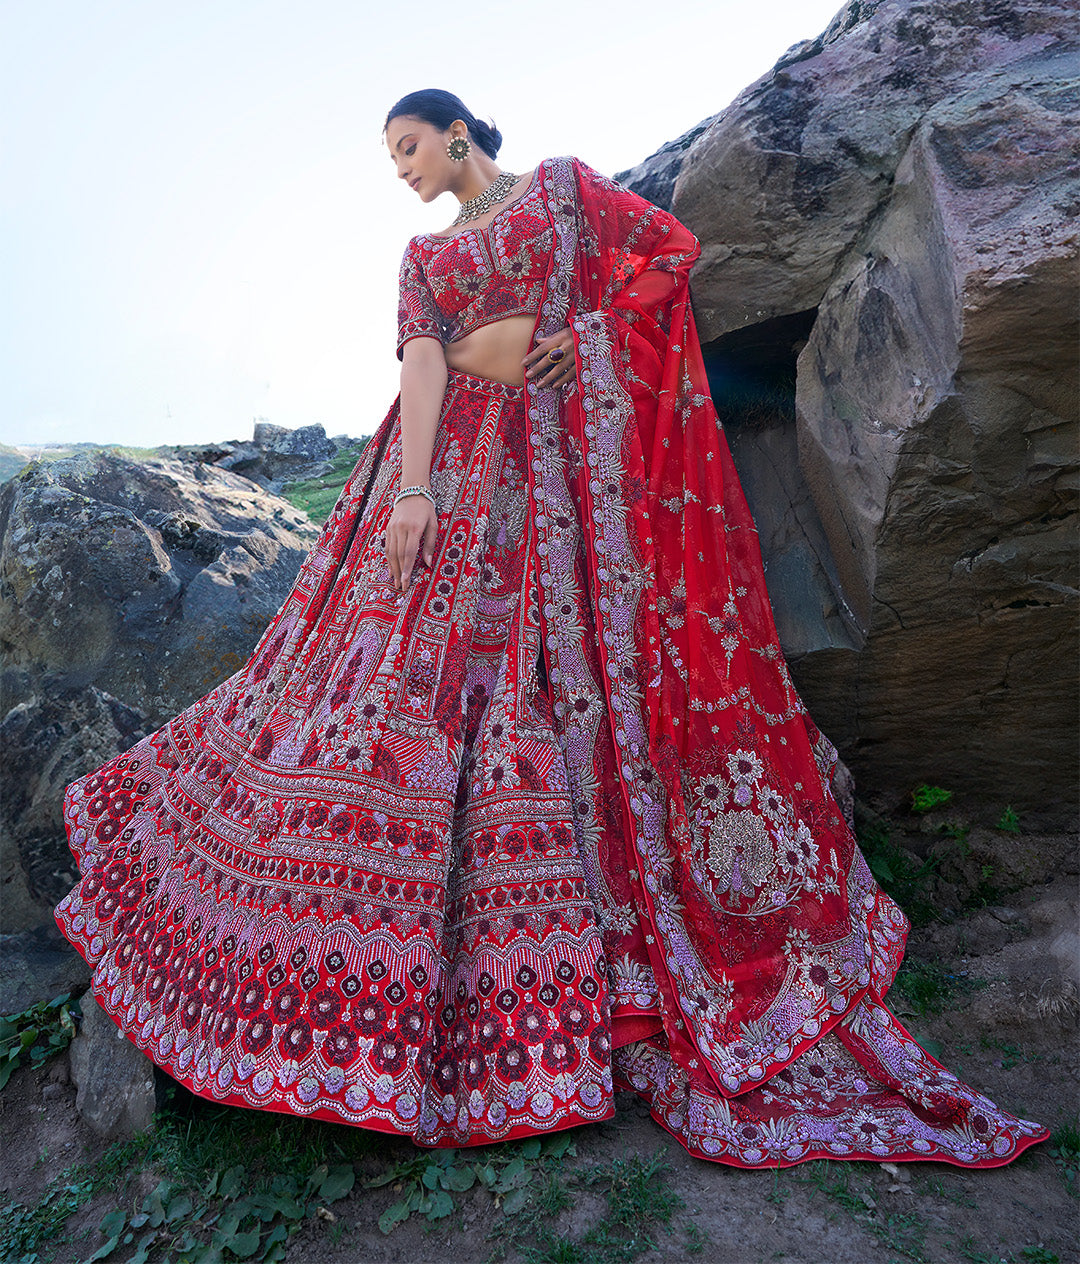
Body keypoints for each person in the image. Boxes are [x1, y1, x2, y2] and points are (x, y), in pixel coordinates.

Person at [54, 89, 1049, 1168]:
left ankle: (598, 937)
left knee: (578, 682)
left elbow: (668, 253)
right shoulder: (420, 260)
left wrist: (592, 335)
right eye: (390, 157)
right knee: (388, 678)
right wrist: (414, 493)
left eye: (409, 147)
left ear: (459, 132)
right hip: (454, 473)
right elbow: (426, 363)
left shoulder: (568, 192)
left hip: (574, 471)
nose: (402, 169)